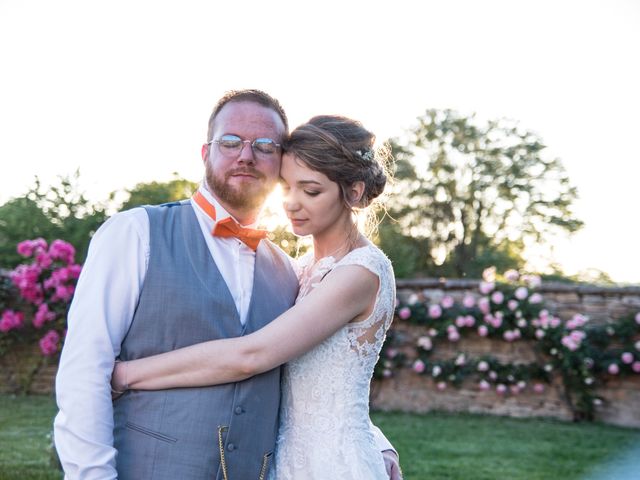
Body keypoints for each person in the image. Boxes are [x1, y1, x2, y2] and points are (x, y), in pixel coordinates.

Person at [54, 89, 401, 480]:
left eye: (265, 146)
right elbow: (83, 369)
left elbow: (282, 364)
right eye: (231, 141)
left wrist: (371, 440)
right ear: (206, 153)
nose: (246, 155)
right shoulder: (135, 233)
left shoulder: (289, 270)